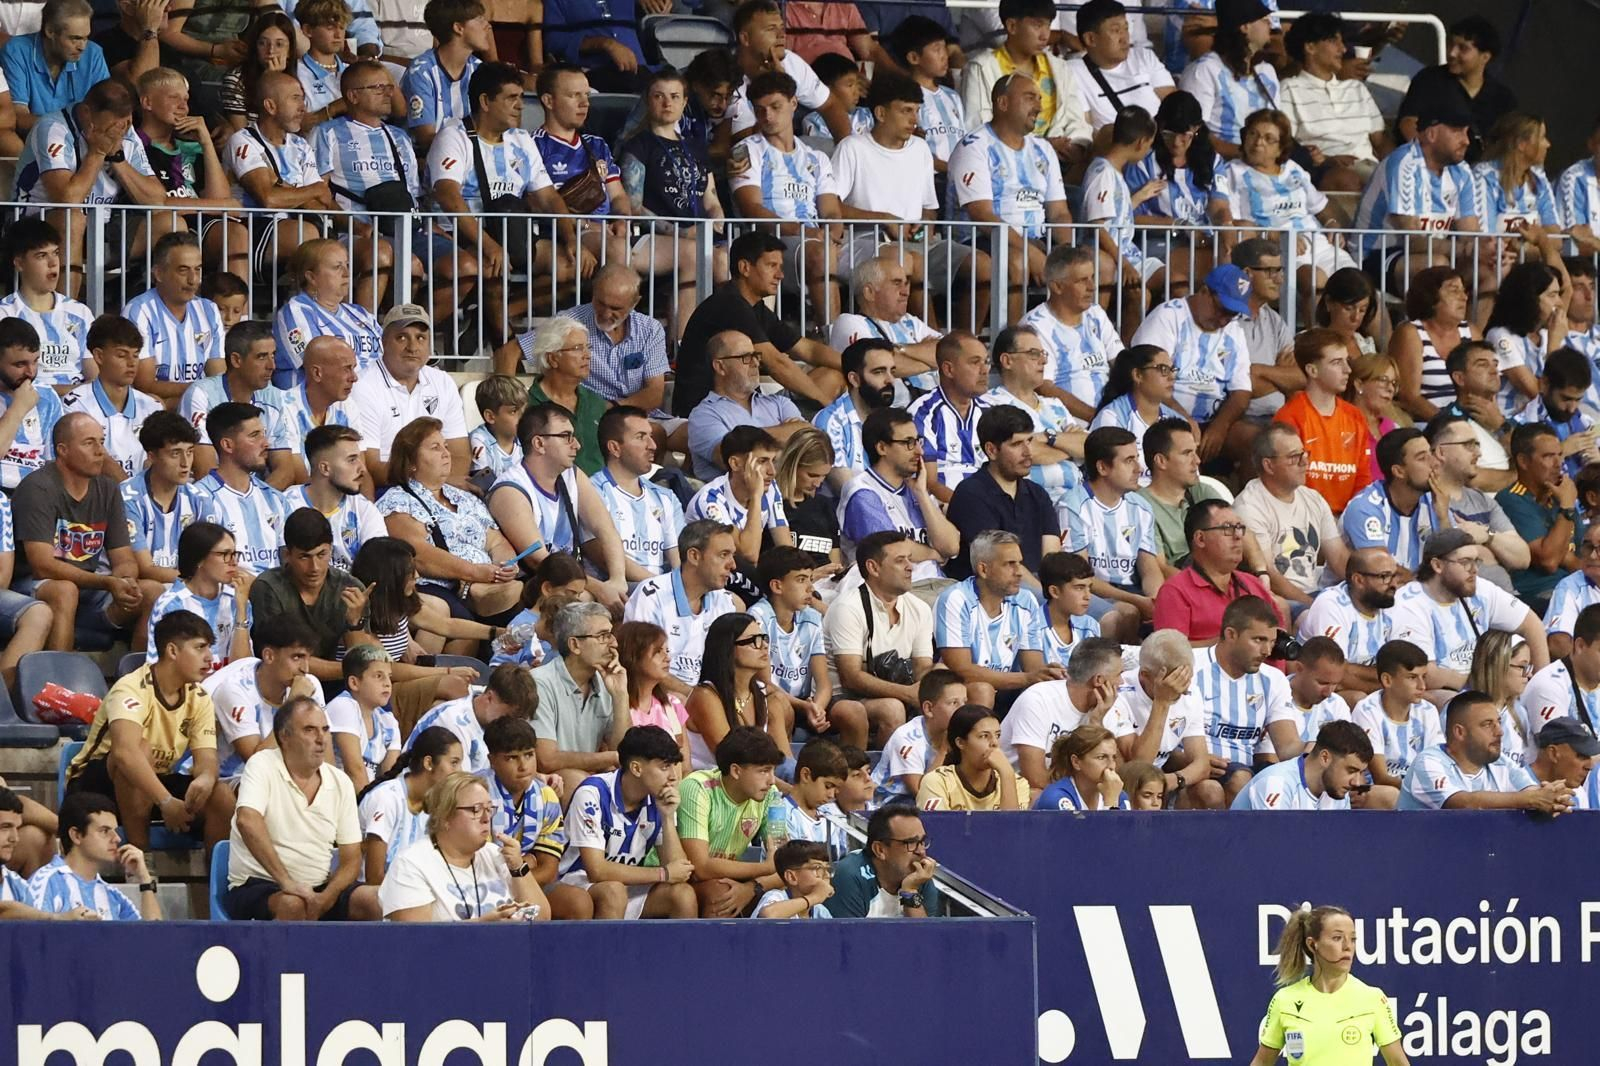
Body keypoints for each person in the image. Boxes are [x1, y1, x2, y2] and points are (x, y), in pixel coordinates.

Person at [64, 610, 234, 849]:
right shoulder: (131, 688)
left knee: (222, 795)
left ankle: (216, 879)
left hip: (153, 784)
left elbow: (207, 758)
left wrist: (206, 779)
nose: (210, 657)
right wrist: (166, 802)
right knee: (139, 751)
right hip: (94, 787)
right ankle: (142, 862)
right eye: (200, 648)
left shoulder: (200, 697)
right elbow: (125, 753)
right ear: (172, 651)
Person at [831, 71, 987, 328]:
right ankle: (933, 340)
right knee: (908, 261)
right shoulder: (852, 147)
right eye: (905, 111)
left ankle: (966, 340)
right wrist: (885, 220)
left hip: (917, 244)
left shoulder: (921, 149)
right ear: (880, 114)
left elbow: (929, 209)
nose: (914, 119)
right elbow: (831, 207)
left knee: (983, 266)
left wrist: (924, 225)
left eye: (916, 111)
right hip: (864, 242)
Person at [9, 78, 175, 300]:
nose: (120, 131)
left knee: (169, 223)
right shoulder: (53, 128)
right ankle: (66, 317)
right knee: (74, 219)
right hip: (36, 223)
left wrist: (117, 158)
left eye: (126, 123)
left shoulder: (125, 131)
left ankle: (143, 309)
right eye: (112, 126)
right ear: (87, 113)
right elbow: (67, 200)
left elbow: (157, 199)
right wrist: (97, 152)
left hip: (101, 226)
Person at [224, 696, 378, 921]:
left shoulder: (340, 782)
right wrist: (287, 883)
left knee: (376, 901)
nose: (321, 739)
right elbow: (247, 821)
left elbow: (352, 858)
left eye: (325, 730)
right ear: (284, 737)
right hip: (258, 885)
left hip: (319, 889)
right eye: (309, 730)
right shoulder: (262, 764)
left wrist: (327, 897)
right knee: (293, 905)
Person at [10, 412, 146, 650]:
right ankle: (56, 684)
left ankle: (136, 681)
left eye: (101, 442)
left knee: (152, 592)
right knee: (65, 590)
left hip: (89, 587)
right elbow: (42, 565)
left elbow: (124, 557)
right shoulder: (37, 488)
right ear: (62, 450)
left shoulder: (108, 489)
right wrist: (106, 583)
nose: (100, 451)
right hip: (35, 585)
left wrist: (125, 580)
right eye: (89, 443)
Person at [675, 231, 844, 417]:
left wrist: (857, 366)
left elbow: (807, 349)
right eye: (772, 266)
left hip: (745, 403)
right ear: (745, 268)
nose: (780, 275)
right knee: (826, 389)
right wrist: (829, 407)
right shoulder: (729, 304)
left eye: (780, 267)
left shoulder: (754, 306)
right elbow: (777, 364)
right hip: (710, 411)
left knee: (832, 376)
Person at [376, 417, 522, 621]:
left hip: (486, 582)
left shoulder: (464, 497)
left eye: (446, 446)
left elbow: (496, 541)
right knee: (463, 619)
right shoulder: (397, 502)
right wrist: (475, 573)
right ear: (411, 462)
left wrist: (504, 565)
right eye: (435, 448)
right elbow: (419, 554)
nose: (446, 453)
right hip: (437, 587)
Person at [948, 74, 1071, 315]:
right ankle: (1012, 345)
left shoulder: (1043, 149)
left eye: (1039, 98)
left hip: (1035, 239)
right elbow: (982, 215)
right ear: (1002, 104)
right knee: (1017, 262)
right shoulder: (975, 146)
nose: (1038, 106)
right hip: (979, 239)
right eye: (1029, 98)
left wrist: (1068, 251)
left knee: (1094, 263)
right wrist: (1029, 251)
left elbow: (1059, 212)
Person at [488, 403, 629, 610]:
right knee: (590, 603)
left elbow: (605, 529)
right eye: (566, 436)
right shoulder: (511, 490)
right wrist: (600, 589)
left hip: (572, 581)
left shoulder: (572, 475)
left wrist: (618, 580)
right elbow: (541, 563)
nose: (577, 445)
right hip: (537, 586)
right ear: (539, 443)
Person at [557, 725, 697, 920]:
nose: (673, 776)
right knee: (613, 892)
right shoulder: (592, 793)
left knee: (683, 894)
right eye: (665, 767)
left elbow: (678, 869)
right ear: (636, 768)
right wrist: (663, 874)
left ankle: (680, 952)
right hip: (577, 882)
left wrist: (666, 817)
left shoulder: (660, 798)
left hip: (626, 884)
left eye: (674, 766)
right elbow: (597, 871)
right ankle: (608, 952)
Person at [1388, 529, 1547, 696]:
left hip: (1481, 686)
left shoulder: (1478, 587)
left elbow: (1532, 624)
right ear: (1437, 565)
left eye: (1476, 561)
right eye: (1465, 562)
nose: (1474, 570)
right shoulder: (1410, 604)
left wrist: (1540, 686)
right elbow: (1424, 674)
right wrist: (1486, 680)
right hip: (1437, 695)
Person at [1246, 904, 1407, 1066]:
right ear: (1312, 944)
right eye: (1337, 938)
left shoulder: (1372, 998)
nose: (1347, 947)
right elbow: (1261, 1062)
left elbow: (1398, 1062)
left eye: (1353, 939)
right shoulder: (1285, 1000)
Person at [379, 770, 551, 921]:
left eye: (489, 809)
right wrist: (484, 928)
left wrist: (518, 867)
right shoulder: (411, 864)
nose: (486, 818)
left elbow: (542, 918)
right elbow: (417, 942)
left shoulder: (496, 855)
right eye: (476, 810)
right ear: (446, 816)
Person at [1352, 98, 1480, 291]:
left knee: (1486, 267)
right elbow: (1412, 240)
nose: (1466, 141)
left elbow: (1470, 233)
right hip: (1373, 256)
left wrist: (1485, 250)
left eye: (1467, 131)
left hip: (1425, 255)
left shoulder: (1461, 171)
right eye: (1457, 131)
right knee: (1437, 267)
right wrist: (1464, 249)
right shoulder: (1403, 163)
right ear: (1431, 134)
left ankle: (1469, 323)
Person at [1128, 265, 1253, 463]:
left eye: (1232, 315)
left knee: (1257, 441)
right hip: (1164, 416)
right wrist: (1182, 417)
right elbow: (1148, 379)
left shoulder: (1235, 331)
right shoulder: (1168, 316)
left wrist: (1220, 426)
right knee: (1182, 444)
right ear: (1204, 292)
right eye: (1222, 310)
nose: (1224, 320)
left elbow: (1242, 392)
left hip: (1211, 421)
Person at [247, 507, 376, 684]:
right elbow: (285, 659)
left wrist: (355, 623)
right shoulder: (269, 588)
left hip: (335, 683)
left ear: (331, 550)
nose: (314, 567)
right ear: (287, 555)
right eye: (304, 557)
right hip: (283, 683)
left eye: (321, 554)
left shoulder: (349, 587)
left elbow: (359, 654)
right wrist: (352, 669)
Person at [753, 548, 865, 748]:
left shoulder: (811, 618)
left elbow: (823, 683)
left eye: (810, 580)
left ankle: (853, 772)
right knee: (780, 705)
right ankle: (784, 772)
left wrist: (818, 708)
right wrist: (805, 707)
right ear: (777, 586)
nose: (810, 588)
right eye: (801, 580)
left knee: (853, 711)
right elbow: (764, 683)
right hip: (773, 700)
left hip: (806, 702)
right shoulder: (758, 618)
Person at [349, 306, 470, 491]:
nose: (412, 347)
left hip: (439, 486)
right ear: (383, 342)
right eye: (402, 337)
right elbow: (370, 466)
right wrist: (427, 481)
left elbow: (460, 455)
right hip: (388, 487)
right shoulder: (364, 386)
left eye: (420, 338)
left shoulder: (442, 381)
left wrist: (439, 486)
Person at [1191, 595, 1299, 801]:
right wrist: (1195, 760)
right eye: (1259, 640)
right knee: (1217, 788)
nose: (1267, 651)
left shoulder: (1274, 679)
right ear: (1230, 634)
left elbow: (1288, 747)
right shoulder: (1191, 669)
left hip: (1247, 773)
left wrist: (1315, 750)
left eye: (1272, 642)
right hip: (1192, 772)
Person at [933, 530, 1056, 710]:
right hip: (961, 691)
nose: (1019, 572)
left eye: (1019, 563)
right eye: (1009, 564)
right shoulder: (956, 599)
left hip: (1007, 688)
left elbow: (1033, 667)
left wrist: (1047, 676)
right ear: (984, 569)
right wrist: (1027, 678)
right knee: (983, 690)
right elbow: (961, 670)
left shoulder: (1026, 600)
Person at [822, 530, 932, 729]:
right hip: (843, 699)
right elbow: (851, 678)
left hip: (898, 690)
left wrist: (929, 688)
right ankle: (886, 761)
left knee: (946, 687)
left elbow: (922, 667)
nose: (911, 567)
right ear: (873, 568)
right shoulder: (848, 607)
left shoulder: (921, 609)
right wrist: (908, 694)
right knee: (891, 708)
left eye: (910, 559)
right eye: (900, 561)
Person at [959, 0, 1091, 165]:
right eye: (1037, 26)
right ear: (1012, 26)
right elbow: (978, 126)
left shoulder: (1060, 68)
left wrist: (1075, 146)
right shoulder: (981, 68)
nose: (1045, 35)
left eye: (1048, 26)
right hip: (1005, 162)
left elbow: (1076, 119)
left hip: (1061, 160)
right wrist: (1041, 146)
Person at [1234, 422, 1349, 611]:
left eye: (1304, 453)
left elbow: (1338, 557)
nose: (1305, 461)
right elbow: (1269, 574)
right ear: (1269, 465)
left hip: (1316, 594)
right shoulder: (1249, 507)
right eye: (1294, 457)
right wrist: (1314, 607)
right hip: (1277, 602)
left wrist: (1366, 585)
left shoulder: (1313, 498)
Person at [838, 407, 960, 582]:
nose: (919, 451)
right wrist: (933, 553)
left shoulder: (915, 488)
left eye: (918, 441)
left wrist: (922, 495)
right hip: (894, 592)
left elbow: (951, 547)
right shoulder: (861, 492)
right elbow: (890, 549)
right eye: (908, 443)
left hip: (936, 585)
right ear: (881, 447)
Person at [677, 726, 786, 917]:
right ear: (736, 771)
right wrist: (765, 868)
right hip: (674, 880)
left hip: (721, 879)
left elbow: (785, 867)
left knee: (774, 896)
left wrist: (752, 888)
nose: (771, 780)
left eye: (773, 771)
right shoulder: (697, 788)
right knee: (722, 894)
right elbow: (700, 867)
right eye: (764, 771)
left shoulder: (770, 796)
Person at [1399, 690, 1569, 813]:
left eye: (1498, 722)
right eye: (1487, 724)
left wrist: (1551, 798)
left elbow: (1532, 793)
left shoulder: (1502, 762)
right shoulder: (1429, 762)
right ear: (1460, 732)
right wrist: (1531, 799)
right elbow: (1463, 803)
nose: (1500, 731)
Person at [1108, 629, 1224, 807]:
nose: (1183, 689)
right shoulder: (1120, 692)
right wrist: (1162, 703)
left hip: (1162, 779)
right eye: (1174, 681)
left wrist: (1171, 780)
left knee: (1210, 790)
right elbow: (1139, 765)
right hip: (1125, 782)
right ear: (1144, 675)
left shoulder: (1191, 692)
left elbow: (1201, 763)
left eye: (1186, 678)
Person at [623, 520, 739, 696]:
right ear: (694, 556)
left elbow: (728, 666)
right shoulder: (651, 596)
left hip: (704, 699)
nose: (733, 565)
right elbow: (642, 665)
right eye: (724, 555)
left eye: (732, 555)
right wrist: (697, 699)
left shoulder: (724, 602)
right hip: (659, 697)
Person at [948, 405, 1063, 584]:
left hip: (1041, 586)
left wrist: (1055, 591)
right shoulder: (970, 494)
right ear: (992, 450)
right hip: (996, 589)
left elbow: (1053, 558)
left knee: (1110, 612)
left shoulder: (1038, 493)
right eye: (1017, 444)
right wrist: (1047, 599)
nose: (1028, 452)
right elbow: (1002, 563)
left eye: (1029, 441)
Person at [1070, 426, 1162, 644]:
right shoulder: (1073, 505)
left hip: (1134, 591)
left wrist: (1155, 600)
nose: (1139, 468)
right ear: (1102, 467)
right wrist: (1137, 601)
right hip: (1093, 592)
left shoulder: (1141, 506)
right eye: (1129, 460)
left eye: (1137, 459)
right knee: (1128, 613)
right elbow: (1079, 576)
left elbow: (1149, 567)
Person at [1277, 13, 1389, 191]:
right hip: (1325, 169)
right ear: (1310, 47)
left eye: (1342, 42)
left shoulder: (1356, 88)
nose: (1343, 49)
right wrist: (1327, 159)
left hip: (1370, 167)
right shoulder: (1290, 89)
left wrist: (1397, 164)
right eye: (1333, 41)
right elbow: (1285, 143)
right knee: (1348, 180)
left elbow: (1380, 140)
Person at [980, 327, 1086, 512]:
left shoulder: (1055, 404)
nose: (1043, 360)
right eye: (1033, 354)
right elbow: (1024, 453)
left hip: (1077, 500)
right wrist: (1069, 449)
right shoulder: (990, 405)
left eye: (1043, 354)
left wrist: (1048, 437)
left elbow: (1088, 446)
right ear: (1007, 361)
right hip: (1029, 504)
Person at [998, 636, 1122, 792]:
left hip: (1066, 790)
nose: (1122, 682)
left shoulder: (1104, 707)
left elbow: (1113, 772)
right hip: (1017, 791)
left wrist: (1096, 723)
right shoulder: (1038, 700)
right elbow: (1034, 778)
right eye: (1119, 674)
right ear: (1098, 680)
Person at [531, 602, 630, 795]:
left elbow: (624, 750)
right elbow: (546, 760)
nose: (614, 644)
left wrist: (620, 696)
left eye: (611, 634)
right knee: (576, 780)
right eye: (603, 636)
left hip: (589, 782)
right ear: (575, 645)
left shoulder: (605, 683)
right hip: (548, 784)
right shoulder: (540, 683)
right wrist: (610, 758)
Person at [1153, 497, 1281, 645]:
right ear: (1200, 539)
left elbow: (1277, 643)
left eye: (1239, 527)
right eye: (1227, 528)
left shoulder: (1253, 585)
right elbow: (1171, 652)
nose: (1238, 536)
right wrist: (1232, 644)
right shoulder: (1175, 591)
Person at [1272, 328, 1373, 515]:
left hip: (1347, 519)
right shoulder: (1289, 416)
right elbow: (1287, 482)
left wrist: (1353, 519)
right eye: (1336, 362)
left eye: (1347, 361)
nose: (1348, 370)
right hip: (1303, 519)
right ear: (1312, 370)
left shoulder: (1355, 416)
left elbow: (1363, 477)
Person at [1021, 243, 1124, 424]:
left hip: (1110, 421)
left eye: (1092, 277)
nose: (1092, 287)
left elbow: (1121, 363)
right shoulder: (1036, 327)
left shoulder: (1095, 313)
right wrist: (1097, 418)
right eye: (1082, 280)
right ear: (1057, 287)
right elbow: (1043, 387)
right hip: (1070, 427)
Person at [685, 334, 808, 480]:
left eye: (756, 356)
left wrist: (744, 440)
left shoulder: (780, 403)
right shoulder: (703, 416)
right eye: (746, 357)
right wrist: (786, 435)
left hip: (786, 496)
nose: (756, 363)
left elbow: (809, 440)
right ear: (720, 366)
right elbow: (734, 459)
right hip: (733, 500)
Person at [1424, 412, 1527, 587]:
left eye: (1477, 445)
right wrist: (1485, 551)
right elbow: (1445, 559)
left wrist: (1487, 536)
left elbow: (1522, 557)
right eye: (1469, 445)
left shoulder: (1483, 501)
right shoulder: (1424, 501)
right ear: (1441, 452)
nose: (1478, 453)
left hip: (1506, 603)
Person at [179, 320, 289, 483]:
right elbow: (205, 469)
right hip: (214, 497)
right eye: (261, 357)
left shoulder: (275, 397)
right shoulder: (201, 394)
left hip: (257, 495)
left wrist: (260, 500)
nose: (272, 365)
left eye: (273, 355)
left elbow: (285, 470)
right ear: (236, 360)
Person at [549, 263, 668, 410]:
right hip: (586, 417)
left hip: (640, 416)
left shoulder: (650, 329)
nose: (605, 314)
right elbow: (514, 349)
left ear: (634, 303)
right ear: (594, 292)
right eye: (600, 303)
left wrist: (611, 408)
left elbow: (655, 394)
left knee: (684, 429)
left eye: (615, 308)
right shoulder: (568, 322)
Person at [193, 402, 290, 577]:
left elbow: (289, 560)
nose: (266, 443)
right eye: (254, 436)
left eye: (264, 434)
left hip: (274, 598)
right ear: (228, 445)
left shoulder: (276, 499)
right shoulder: (200, 499)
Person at [1396, 15, 1517, 155]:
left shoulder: (1503, 99)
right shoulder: (1429, 79)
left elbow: (1508, 143)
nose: (1452, 53)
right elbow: (1408, 122)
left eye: (1463, 48)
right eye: (1451, 45)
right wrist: (1427, 156)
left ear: (1485, 57)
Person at [356, 726, 463, 884]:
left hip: (407, 893)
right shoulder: (387, 798)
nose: (459, 771)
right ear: (428, 763)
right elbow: (373, 877)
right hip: (366, 895)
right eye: (454, 763)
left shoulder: (435, 806)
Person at [61, 314, 161, 481]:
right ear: (99, 356)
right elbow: (96, 461)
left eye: (136, 355)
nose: (132, 363)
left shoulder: (152, 407)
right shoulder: (75, 404)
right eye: (122, 355)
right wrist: (131, 493)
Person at [590, 406, 683, 584]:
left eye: (651, 436)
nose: (653, 446)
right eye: (641, 437)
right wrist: (662, 587)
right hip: (617, 593)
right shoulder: (593, 492)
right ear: (615, 448)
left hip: (662, 591)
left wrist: (678, 591)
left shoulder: (665, 497)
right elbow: (599, 555)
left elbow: (678, 559)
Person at [0, 218, 94, 391]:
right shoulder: (4, 314)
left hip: (80, 405)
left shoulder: (80, 312)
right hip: (28, 406)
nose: (53, 263)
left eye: (56, 253)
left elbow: (95, 377)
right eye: (42, 255)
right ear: (19, 263)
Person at [1496, 422, 1582, 611]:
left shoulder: (1559, 495)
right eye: (1548, 456)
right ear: (1523, 461)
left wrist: (1568, 558)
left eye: (1559, 455)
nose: (1558, 464)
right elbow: (1548, 561)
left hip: (1575, 587)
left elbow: (1582, 555)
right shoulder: (1511, 500)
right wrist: (1567, 508)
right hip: (1540, 595)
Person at [32, 793, 160, 921]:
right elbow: (33, 936)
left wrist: (145, 881)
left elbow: (153, 937)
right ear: (76, 835)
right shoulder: (47, 882)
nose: (117, 838)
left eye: (115, 831)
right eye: (104, 831)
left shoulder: (113, 896)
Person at [144, 520, 251, 670]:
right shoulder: (171, 604)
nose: (233, 562)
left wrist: (241, 609)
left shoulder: (237, 599)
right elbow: (158, 668)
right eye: (224, 555)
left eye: (234, 554)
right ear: (199, 559)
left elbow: (243, 669)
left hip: (230, 689)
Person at [1178, 0, 1279, 155]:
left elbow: (1277, 125)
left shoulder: (1267, 71)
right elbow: (1193, 132)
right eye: (1264, 20)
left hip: (1266, 162)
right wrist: (1244, 153)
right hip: (1224, 166)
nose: (1270, 25)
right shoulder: (1204, 70)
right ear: (1245, 27)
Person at [272, 241, 384, 379]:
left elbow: (389, 359)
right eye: (337, 267)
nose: (347, 274)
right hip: (312, 398)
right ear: (312, 277)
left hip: (372, 395)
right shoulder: (296, 311)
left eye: (347, 265)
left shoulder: (360, 314)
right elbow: (317, 366)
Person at [1340, 428, 1440, 582]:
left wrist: (1444, 515)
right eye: (1422, 458)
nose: (1434, 463)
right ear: (1399, 471)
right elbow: (1383, 571)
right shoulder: (1365, 507)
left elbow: (1454, 561)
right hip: (1358, 600)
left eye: (1431, 454)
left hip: (1415, 596)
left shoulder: (1434, 501)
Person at [1296, 547, 1398, 696]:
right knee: (1359, 699)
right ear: (1359, 580)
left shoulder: (1389, 602)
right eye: (1384, 576)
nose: (1393, 584)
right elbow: (1337, 674)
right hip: (1321, 692)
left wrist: (1394, 679)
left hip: (1370, 687)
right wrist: (1390, 684)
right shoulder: (1331, 604)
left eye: (1395, 576)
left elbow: (1403, 669)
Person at [405, 663, 540, 774]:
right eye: (509, 717)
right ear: (489, 698)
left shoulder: (490, 708)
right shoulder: (451, 723)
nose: (513, 725)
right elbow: (459, 788)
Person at [1, 0, 111, 137]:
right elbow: (19, 117)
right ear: (50, 31)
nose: (82, 47)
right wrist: (69, 130)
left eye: (86, 38)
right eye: (74, 38)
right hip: (34, 144)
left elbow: (108, 110)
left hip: (84, 142)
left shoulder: (93, 53)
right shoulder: (16, 51)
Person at [286, 425, 387, 572]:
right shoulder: (286, 505)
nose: (362, 468)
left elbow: (379, 568)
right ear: (325, 468)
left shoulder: (364, 510)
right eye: (352, 460)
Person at [120, 411, 204, 586]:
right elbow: (145, 569)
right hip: (137, 588)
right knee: (153, 589)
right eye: (175, 454)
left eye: (189, 452)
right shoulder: (128, 498)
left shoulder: (200, 499)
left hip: (185, 583)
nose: (185, 462)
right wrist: (196, 581)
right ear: (152, 457)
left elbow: (210, 557)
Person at [1065, 0, 1173, 131]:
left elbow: (1175, 104)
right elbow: (1084, 131)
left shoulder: (1143, 57)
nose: (1125, 37)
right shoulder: (1074, 72)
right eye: (1116, 30)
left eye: (1126, 29)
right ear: (1090, 39)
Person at [1389, 266, 1478, 423]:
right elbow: (1409, 396)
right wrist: (1450, 424)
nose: (1463, 297)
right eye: (1454, 290)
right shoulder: (1411, 333)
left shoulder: (1471, 332)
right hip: (1426, 427)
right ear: (1430, 298)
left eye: (1464, 291)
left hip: (1471, 426)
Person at [1351, 639, 1442, 791]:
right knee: (1390, 794)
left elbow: (1435, 766)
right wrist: (1424, 789)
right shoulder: (1367, 711)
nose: (1422, 686)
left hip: (1418, 790)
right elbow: (1380, 777)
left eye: (1423, 677)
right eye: (1412, 677)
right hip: (1375, 792)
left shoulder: (1428, 711)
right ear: (1387, 680)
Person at [522, 319, 609, 477]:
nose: (587, 355)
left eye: (587, 348)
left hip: (600, 492)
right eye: (577, 348)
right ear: (552, 359)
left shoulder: (595, 401)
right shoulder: (527, 405)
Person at [400, 0, 487, 153]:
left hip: (473, 159)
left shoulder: (480, 70)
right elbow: (425, 138)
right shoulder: (421, 72)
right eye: (480, 19)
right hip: (430, 163)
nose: (487, 25)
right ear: (458, 28)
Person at [827, 803, 941, 918]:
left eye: (922, 841)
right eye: (911, 843)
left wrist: (910, 892)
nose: (921, 851)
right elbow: (847, 934)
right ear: (880, 850)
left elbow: (925, 934)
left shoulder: (919, 878)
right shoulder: (851, 875)